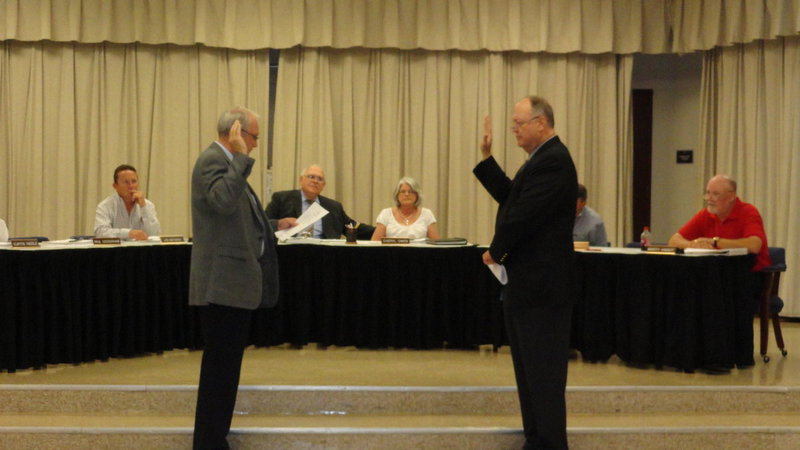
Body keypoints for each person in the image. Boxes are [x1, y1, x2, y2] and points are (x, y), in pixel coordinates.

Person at [473, 96, 577, 450]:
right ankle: (536, 438)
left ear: (541, 123)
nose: (514, 129)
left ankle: (548, 443)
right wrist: (487, 158)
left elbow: (524, 216)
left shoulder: (554, 161)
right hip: (527, 285)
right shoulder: (538, 161)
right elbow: (511, 199)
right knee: (529, 371)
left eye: (519, 123)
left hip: (542, 289)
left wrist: (495, 250)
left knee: (542, 373)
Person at [189, 107, 279, 449]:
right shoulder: (214, 160)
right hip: (221, 286)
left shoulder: (228, 165)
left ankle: (214, 438)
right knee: (219, 373)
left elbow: (239, 221)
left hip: (234, 285)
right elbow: (222, 202)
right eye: (254, 136)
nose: (255, 145)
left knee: (226, 372)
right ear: (237, 131)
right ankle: (209, 442)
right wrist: (241, 158)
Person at [668, 174, 771, 271]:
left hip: (748, 273)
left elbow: (755, 245)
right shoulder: (705, 214)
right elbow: (673, 241)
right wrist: (693, 245)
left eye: (715, 194)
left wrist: (715, 242)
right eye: (708, 193)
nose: (709, 199)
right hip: (716, 272)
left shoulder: (748, 212)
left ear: (731, 196)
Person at [265, 164, 374, 239]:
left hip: (324, 256)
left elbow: (352, 227)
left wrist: (382, 230)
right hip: (290, 253)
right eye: (311, 177)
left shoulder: (333, 207)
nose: (315, 181)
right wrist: (279, 224)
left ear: (323, 185)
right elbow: (264, 224)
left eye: (319, 179)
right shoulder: (282, 198)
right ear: (301, 180)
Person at [94, 164, 161, 240]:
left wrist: (143, 207)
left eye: (134, 181)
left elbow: (154, 233)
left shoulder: (147, 205)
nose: (131, 186)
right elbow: (100, 233)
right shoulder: (105, 206)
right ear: (115, 186)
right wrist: (129, 233)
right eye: (126, 182)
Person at [370, 176, 441, 240]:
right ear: (397, 195)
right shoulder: (386, 214)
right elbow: (374, 243)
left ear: (417, 195)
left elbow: (436, 244)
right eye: (403, 191)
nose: (407, 194)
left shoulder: (427, 214)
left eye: (411, 191)